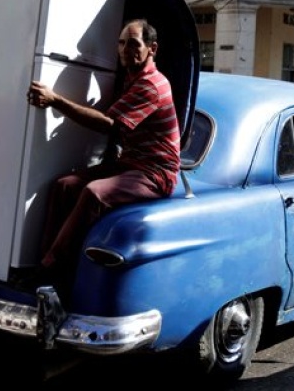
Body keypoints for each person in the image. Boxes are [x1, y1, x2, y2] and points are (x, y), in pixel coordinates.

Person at [25, 18, 180, 291]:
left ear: (152, 49)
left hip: (155, 173)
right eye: (121, 43)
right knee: (64, 186)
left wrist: (56, 100)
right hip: (130, 164)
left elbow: (110, 125)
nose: (125, 50)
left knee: (94, 193)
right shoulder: (131, 78)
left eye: (133, 44)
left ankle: (49, 271)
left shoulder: (151, 85)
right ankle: (40, 263)